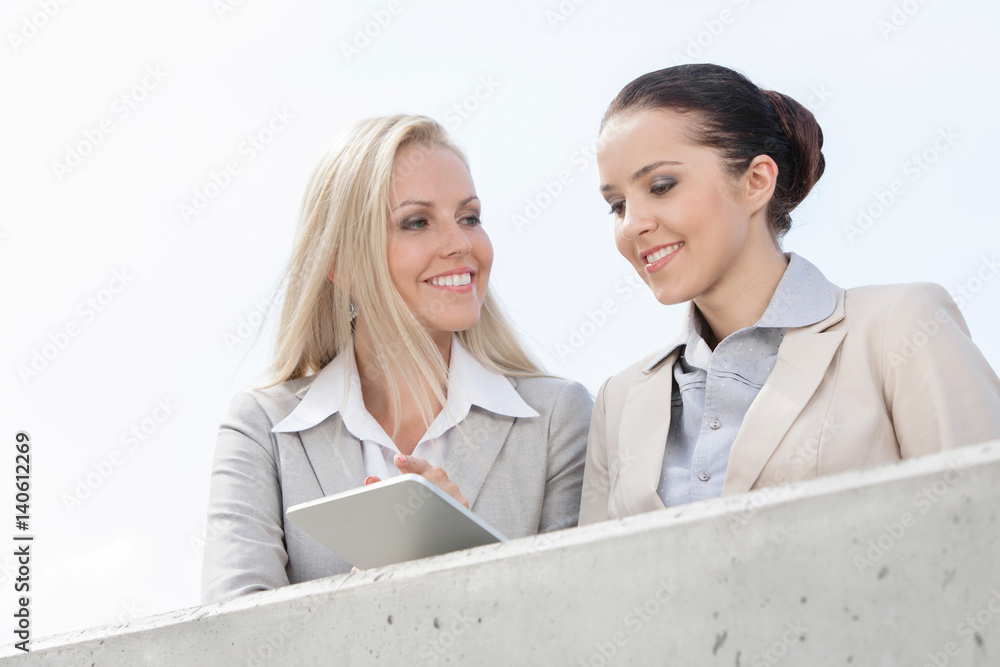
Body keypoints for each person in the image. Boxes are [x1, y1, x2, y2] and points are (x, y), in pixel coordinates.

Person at [579, 64, 1000, 524]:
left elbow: (984, 533)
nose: (632, 224)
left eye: (661, 186)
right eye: (617, 205)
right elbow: (590, 586)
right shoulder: (617, 402)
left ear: (756, 180)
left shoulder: (901, 329)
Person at [202, 114, 593, 602]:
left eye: (469, 217)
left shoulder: (558, 419)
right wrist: (382, 584)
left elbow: (573, 627)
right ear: (340, 263)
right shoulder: (263, 430)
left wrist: (461, 559)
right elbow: (235, 649)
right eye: (417, 222)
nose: (461, 244)